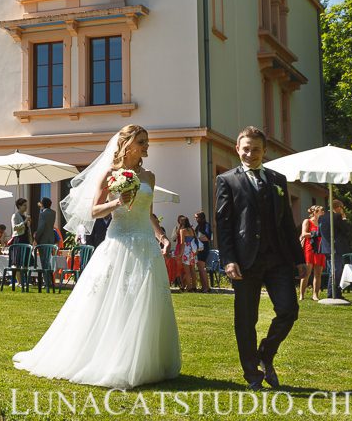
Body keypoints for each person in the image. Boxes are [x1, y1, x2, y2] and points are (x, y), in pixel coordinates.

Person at [14, 124, 180, 389]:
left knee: (145, 297)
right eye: (142, 141)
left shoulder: (149, 176)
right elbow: (93, 211)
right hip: (118, 240)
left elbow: (148, 212)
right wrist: (117, 201)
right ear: (127, 144)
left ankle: (146, 360)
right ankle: (111, 358)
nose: (147, 146)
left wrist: (162, 235)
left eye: (147, 141)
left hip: (145, 244)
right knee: (114, 298)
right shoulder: (109, 174)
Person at [216, 126, 306, 391]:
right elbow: (224, 223)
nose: (250, 154)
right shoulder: (227, 180)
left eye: (256, 149)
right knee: (246, 319)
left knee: (289, 310)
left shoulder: (278, 180)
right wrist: (228, 258)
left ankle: (266, 352)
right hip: (245, 261)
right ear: (237, 148)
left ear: (264, 151)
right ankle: (252, 373)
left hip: (278, 259)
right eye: (245, 148)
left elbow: (287, 223)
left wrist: (298, 257)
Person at [318, 199, 350, 300]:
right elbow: (345, 230)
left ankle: (332, 293)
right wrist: (344, 218)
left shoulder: (321, 217)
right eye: (342, 208)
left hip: (325, 248)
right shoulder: (337, 216)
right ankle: (333, 294)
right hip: (336, 248)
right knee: (337, 271)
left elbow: (319, 233)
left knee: (333, 271)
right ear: (339, 207)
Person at [299, 205, 326, 301]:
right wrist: (316, 233)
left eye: (323, 211)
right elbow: (304, 234)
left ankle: (315, 295)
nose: (323, 212)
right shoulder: (307, 221)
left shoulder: (323, 222)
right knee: (306, 273)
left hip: (320, 249)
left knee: (318, 274)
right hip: (309, 248)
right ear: (315, 212)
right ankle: (302, 295)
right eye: (321, 211)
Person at [173, 215, 197, 292]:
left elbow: (182, 243)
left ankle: (189, 287)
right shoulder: (192, 229)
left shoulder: (182, 230)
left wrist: (180, 253)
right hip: (193, 250)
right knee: (193, 269)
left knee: (187, 270)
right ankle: (194, 286)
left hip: (186, 250)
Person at [194, 211, 213, 293]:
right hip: (199, 248)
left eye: (197, 217)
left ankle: (207, 288)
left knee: (202, 268)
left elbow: (208, 237)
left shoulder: (206, 225)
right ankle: (203, 287)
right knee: (200, 267)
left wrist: (199, 238)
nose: (195, 219)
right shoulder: (198, 226)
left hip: (204, 248)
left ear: (201, 217)